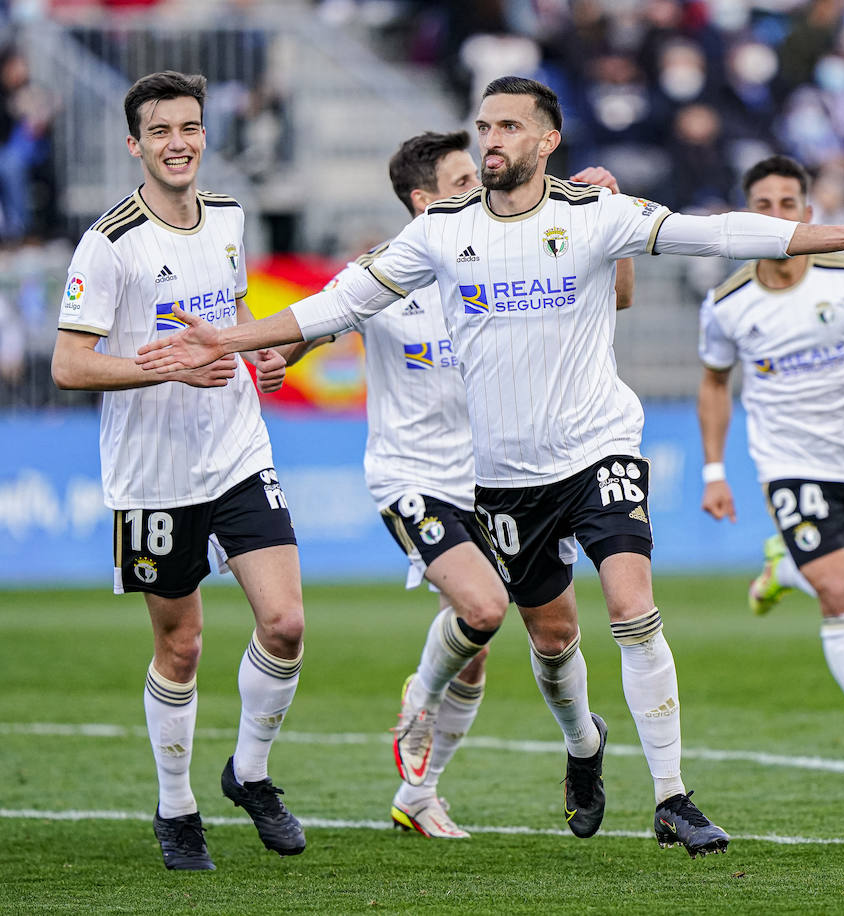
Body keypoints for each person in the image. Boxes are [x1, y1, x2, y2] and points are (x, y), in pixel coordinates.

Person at [136, 76, 844, 857]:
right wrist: (228, 340)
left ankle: (671, 797)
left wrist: (842, 237)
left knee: (631, 607)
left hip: (599, 447)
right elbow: (339, 304)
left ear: (547, 142)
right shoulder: (442, 230)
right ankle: (584, 744)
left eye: (508, 127)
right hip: (508, 476)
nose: (491, 140)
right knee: (552, 639)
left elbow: (717, 231)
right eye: (484, 127)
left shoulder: (593, 214)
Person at [269, 130, 635, 839]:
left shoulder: (505, 255)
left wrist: (607, 224)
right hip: (413, 477)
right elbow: (319, 319)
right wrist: (278, 356)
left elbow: (613, 300)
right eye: (465, 179)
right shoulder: (388, 270)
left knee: (530, 635)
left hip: (495, 476)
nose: (482, 185)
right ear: (422, 199)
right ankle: (421, 694)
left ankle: (421, 793)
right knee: (482, 605)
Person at [50, 71, 307, 871]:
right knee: (183, 646)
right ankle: (176, 807)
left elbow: (225, 314)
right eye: (161, 131)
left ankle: (250, 774)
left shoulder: (229, 216)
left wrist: (252, 348)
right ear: (136, 144)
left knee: (286, 624)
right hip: (153, 470)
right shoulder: (110, 241)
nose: (179, 143)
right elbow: (67, 364)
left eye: (189, 127)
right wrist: (169, 370)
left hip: (236, 449)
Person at [696, 155, 844, 782]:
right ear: (747, 216)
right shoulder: (727, 303)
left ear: (807, 212)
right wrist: (713, 471)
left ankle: (785, 568)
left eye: (787, 204)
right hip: (790, 464)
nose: (776, 216)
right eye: (763, 206)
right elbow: (715, 384)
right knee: (839, 596)